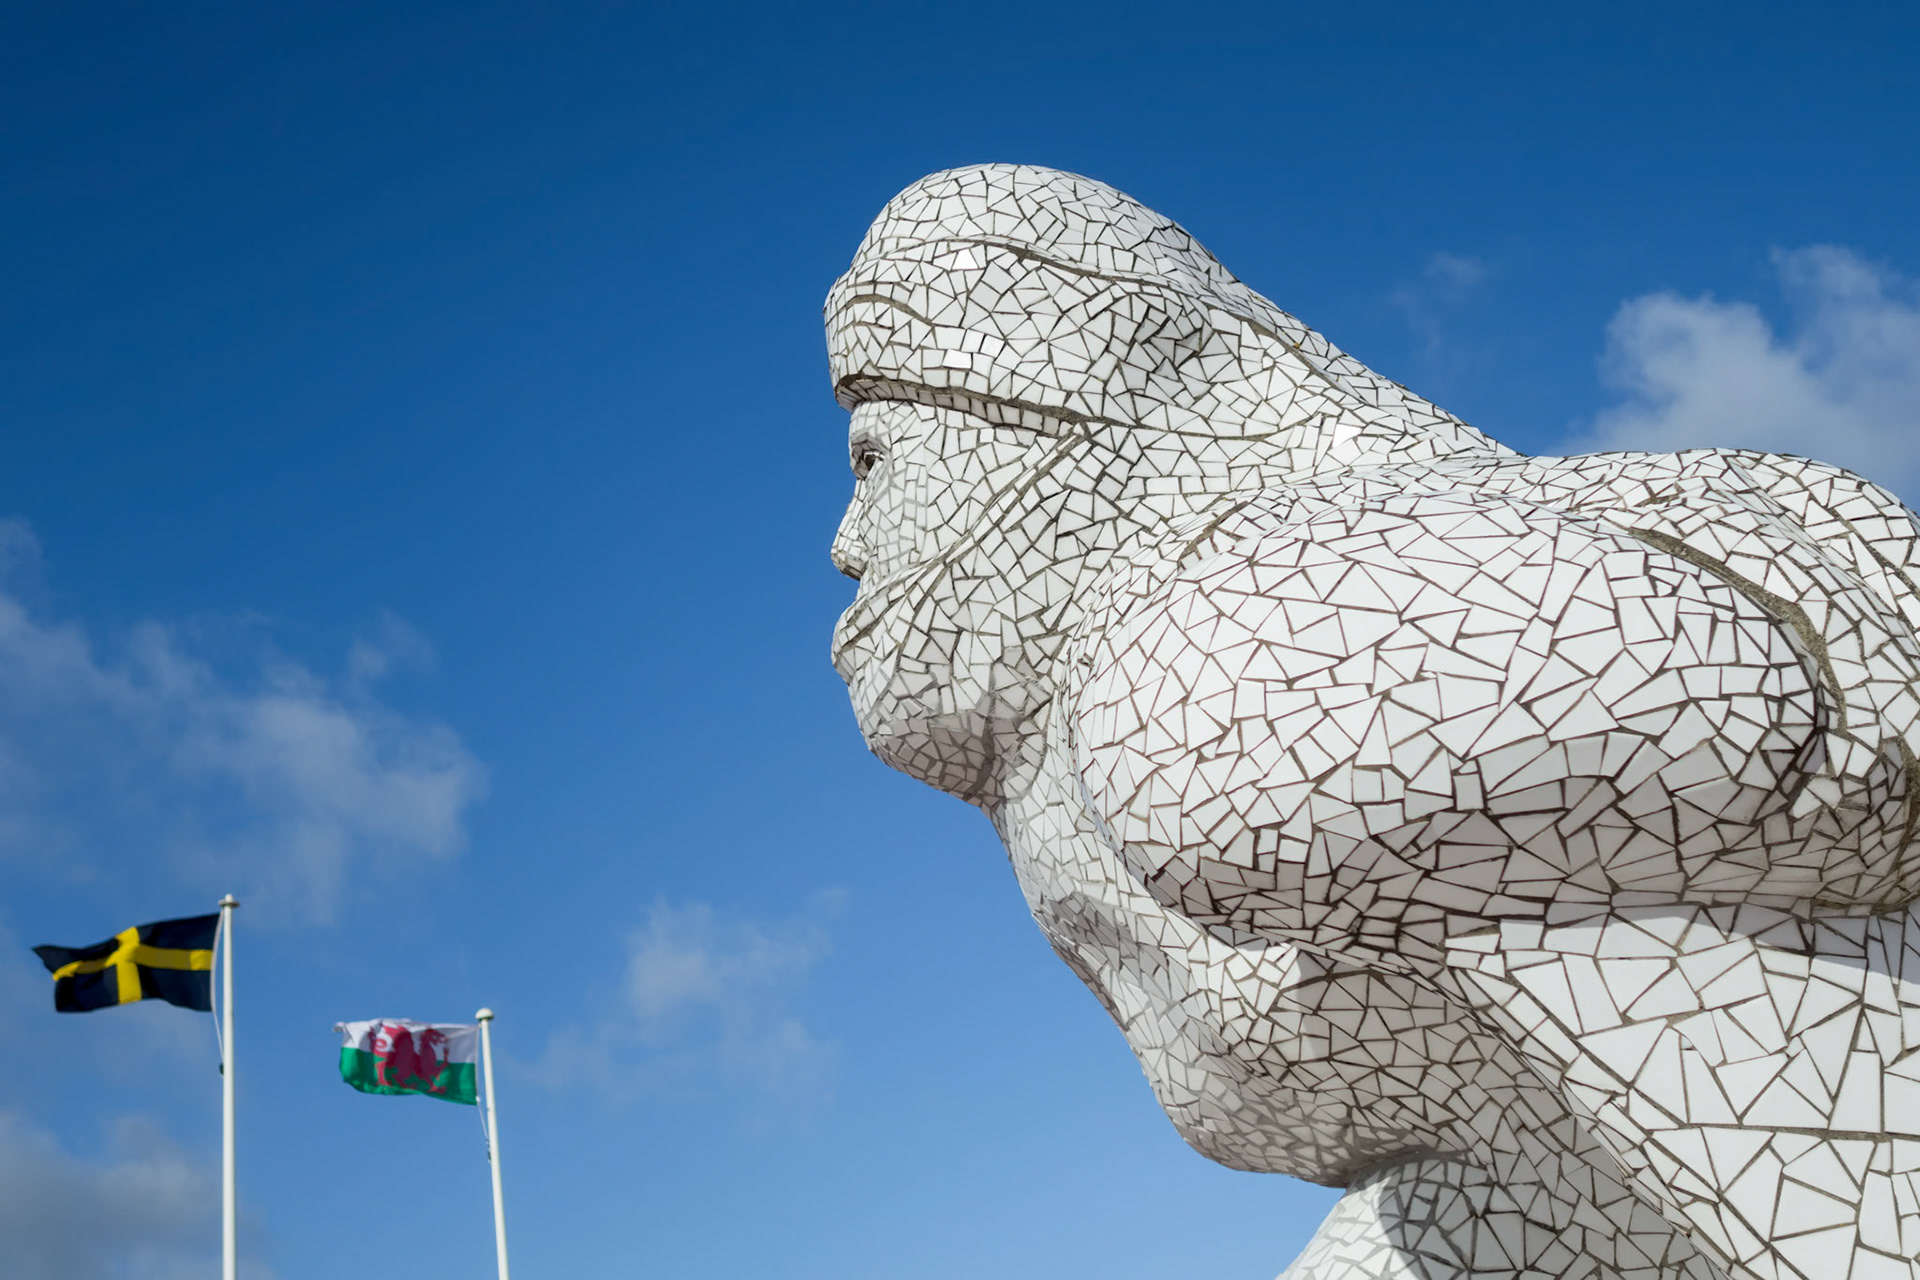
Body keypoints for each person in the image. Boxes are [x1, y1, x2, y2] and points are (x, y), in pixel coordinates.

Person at [827, 164, 1920, 1280]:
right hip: (1550, 1181)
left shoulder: (1247, 646)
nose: (846, 539)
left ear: (1048, 418)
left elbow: (1819, 728)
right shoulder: (1127, 806)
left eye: (874, 460)